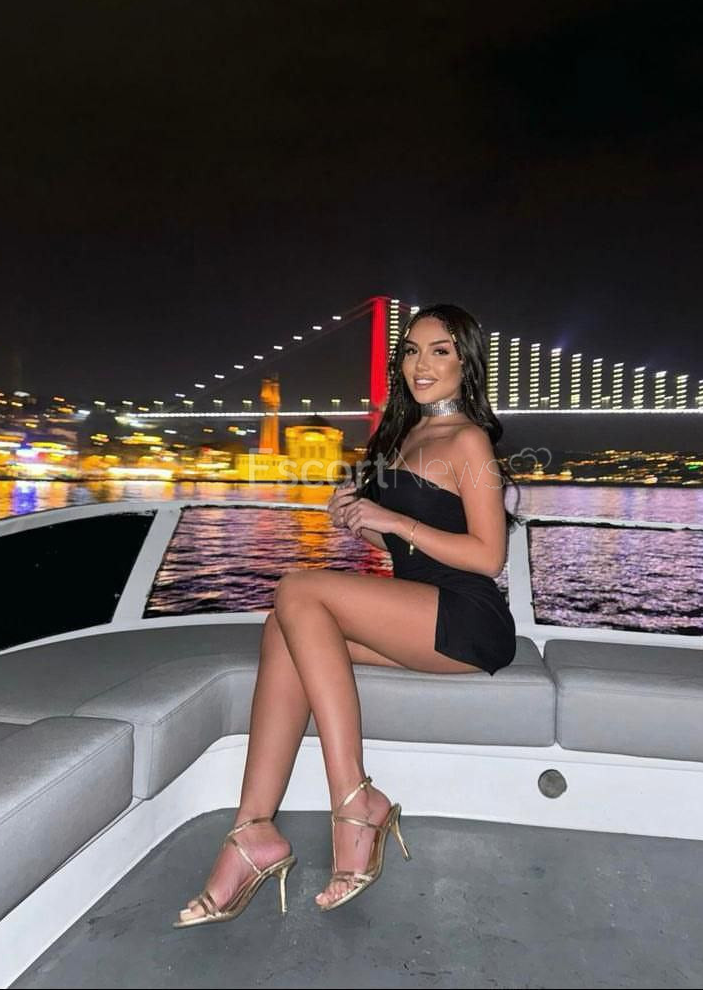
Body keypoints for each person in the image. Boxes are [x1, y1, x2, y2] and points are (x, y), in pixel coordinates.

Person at [173, 303, 521, 927]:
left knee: (298, 589)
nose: (420, 364)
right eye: (410, 350)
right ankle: (252, 830)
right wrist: (361, 523)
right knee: (284, 626)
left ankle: (355, 800)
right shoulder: (405, 434)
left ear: (466, 362)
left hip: (467, 621)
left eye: (440, 350)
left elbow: (487, 556)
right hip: (421, 610)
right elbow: (411, 546)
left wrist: (393, 518)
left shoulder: (467, 439)